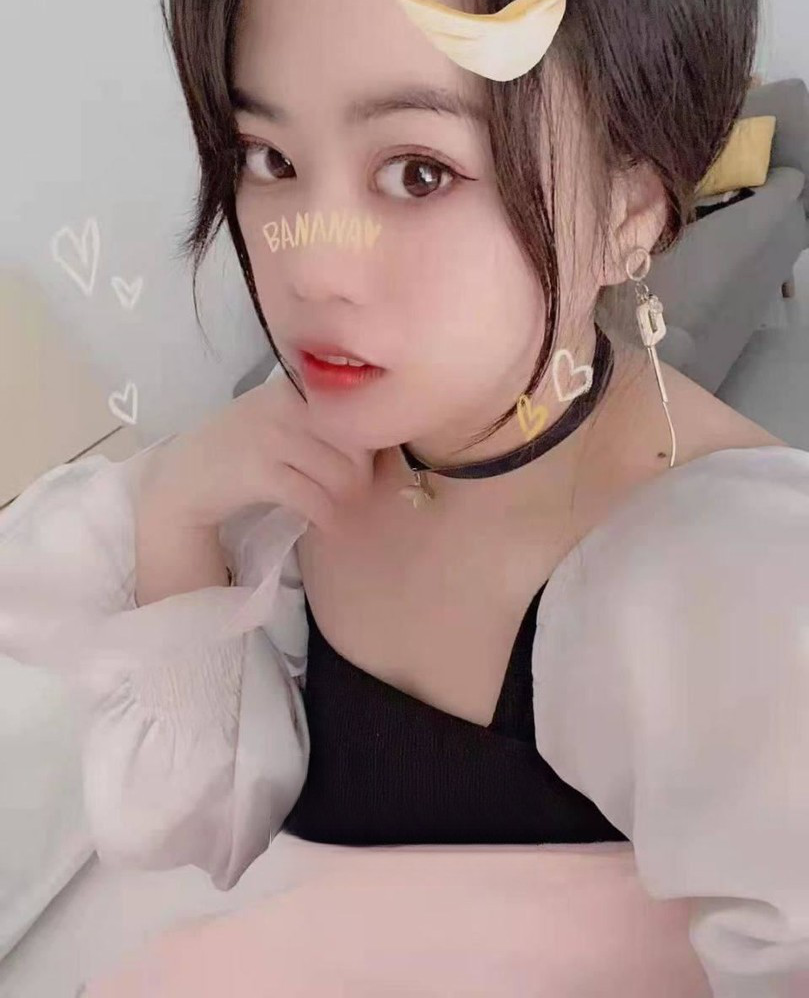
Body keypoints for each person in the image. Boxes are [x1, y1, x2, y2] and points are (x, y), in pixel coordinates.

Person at [2, 0, 808, 994]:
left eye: (418, 173)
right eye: (269, 158)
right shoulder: (294, 444)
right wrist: (177, 512)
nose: (308, 263)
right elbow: (193, 829)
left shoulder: (731, 587)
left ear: (626, 215)